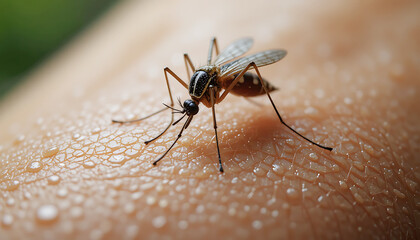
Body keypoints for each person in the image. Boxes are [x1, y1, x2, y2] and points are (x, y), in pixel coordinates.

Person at [0, 1, 418, 239]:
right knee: (176, 67)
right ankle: (149, 121)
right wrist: (151, 120)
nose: (191, 109)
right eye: (190, 103)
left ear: (201, 96)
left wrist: (219, 135)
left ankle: (288, 125)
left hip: (241, 79)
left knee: (231, 73)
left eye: (192, 105)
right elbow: (187, 90)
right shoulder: (192, 88)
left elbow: (241, 64)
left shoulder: (213, 92)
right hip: (216, 79)